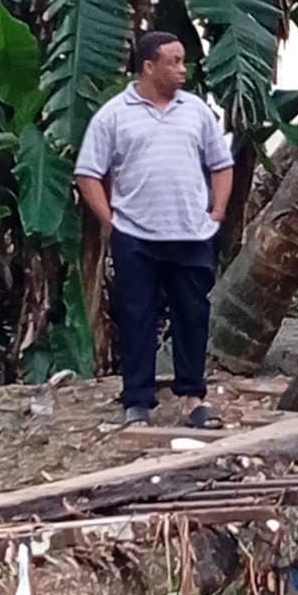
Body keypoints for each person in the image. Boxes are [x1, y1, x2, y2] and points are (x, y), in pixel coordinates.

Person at [76, 32, 234, 427]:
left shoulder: (196, 111)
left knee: (192, 316)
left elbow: (221, 164)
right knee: (136, 317)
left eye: (183, 61)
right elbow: (88, 173)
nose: (183, 69)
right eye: (175, 61)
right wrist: (109, 221)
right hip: (136, 236)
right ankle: (138, 401)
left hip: (192, 234)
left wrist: (217, 212)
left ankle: (193, 399)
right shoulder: (114, 114)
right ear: (149, 66)